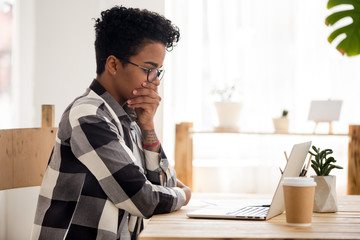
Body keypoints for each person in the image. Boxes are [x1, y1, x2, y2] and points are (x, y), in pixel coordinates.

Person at [31, 5, 191, 240]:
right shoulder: (88, 116)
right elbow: (144, 199)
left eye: (158, 71)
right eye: (149, 69)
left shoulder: (129, 116)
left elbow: (161, 184)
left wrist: (147, 126)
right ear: (114, 65)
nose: (155, 81)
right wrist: (184, 195)